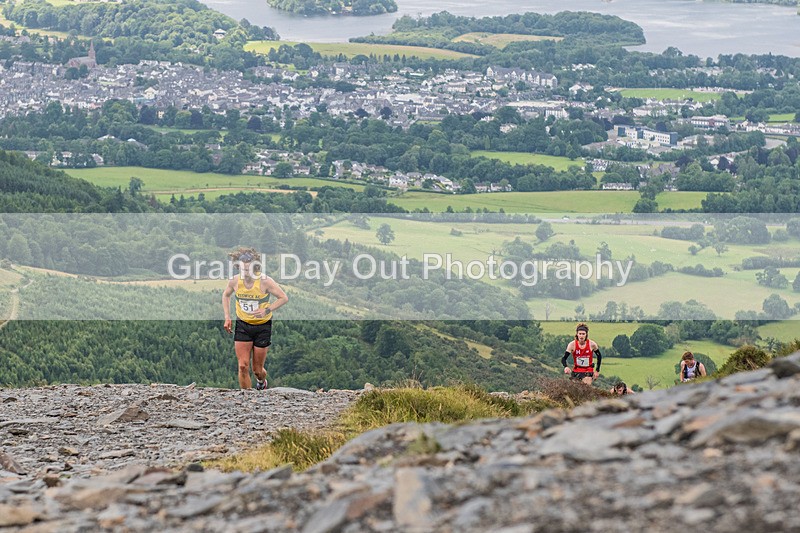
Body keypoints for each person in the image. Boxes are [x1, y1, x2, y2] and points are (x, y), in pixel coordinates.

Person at [222, 248, 288, 390]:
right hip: (243, 324)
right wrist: (227, 317)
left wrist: (267, 310)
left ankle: (261, 382)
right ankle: (247, 398)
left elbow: (283, 298)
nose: (245, 271)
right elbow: (226, 295)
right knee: (242, 366)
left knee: (257, 370)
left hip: (262, 326)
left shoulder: (265, 281)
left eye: (248, 269)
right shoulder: (234, 281)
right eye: (242, 269)